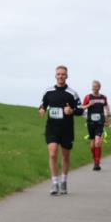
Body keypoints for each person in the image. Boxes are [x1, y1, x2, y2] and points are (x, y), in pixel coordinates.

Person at [38, 65, 83, 195]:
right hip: (52, 127)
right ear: (55, 76)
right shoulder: (48, 91)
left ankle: (63, 181)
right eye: (58, 74)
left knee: (65, 156)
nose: (60, 76)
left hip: (66, 129)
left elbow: (80, 110)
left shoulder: (72, 93)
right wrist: (41, 110)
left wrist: (71, 111)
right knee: (52, 153)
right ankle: (54, 182)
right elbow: (43, 105)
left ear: (67, 76)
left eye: (63, 74)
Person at [80, 80, 110, 171]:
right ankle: (95, 158)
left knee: (98, 142)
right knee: (92, 145)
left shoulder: (103, 97)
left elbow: (106, 107)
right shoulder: (88, 97)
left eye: (96, 86)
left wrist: (107, 117)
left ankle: (97, 163)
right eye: (93, 86)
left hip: (100, 122)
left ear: (99, 87)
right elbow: (82, 107)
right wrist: (89, 104)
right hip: (90, 122)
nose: (94, 88)